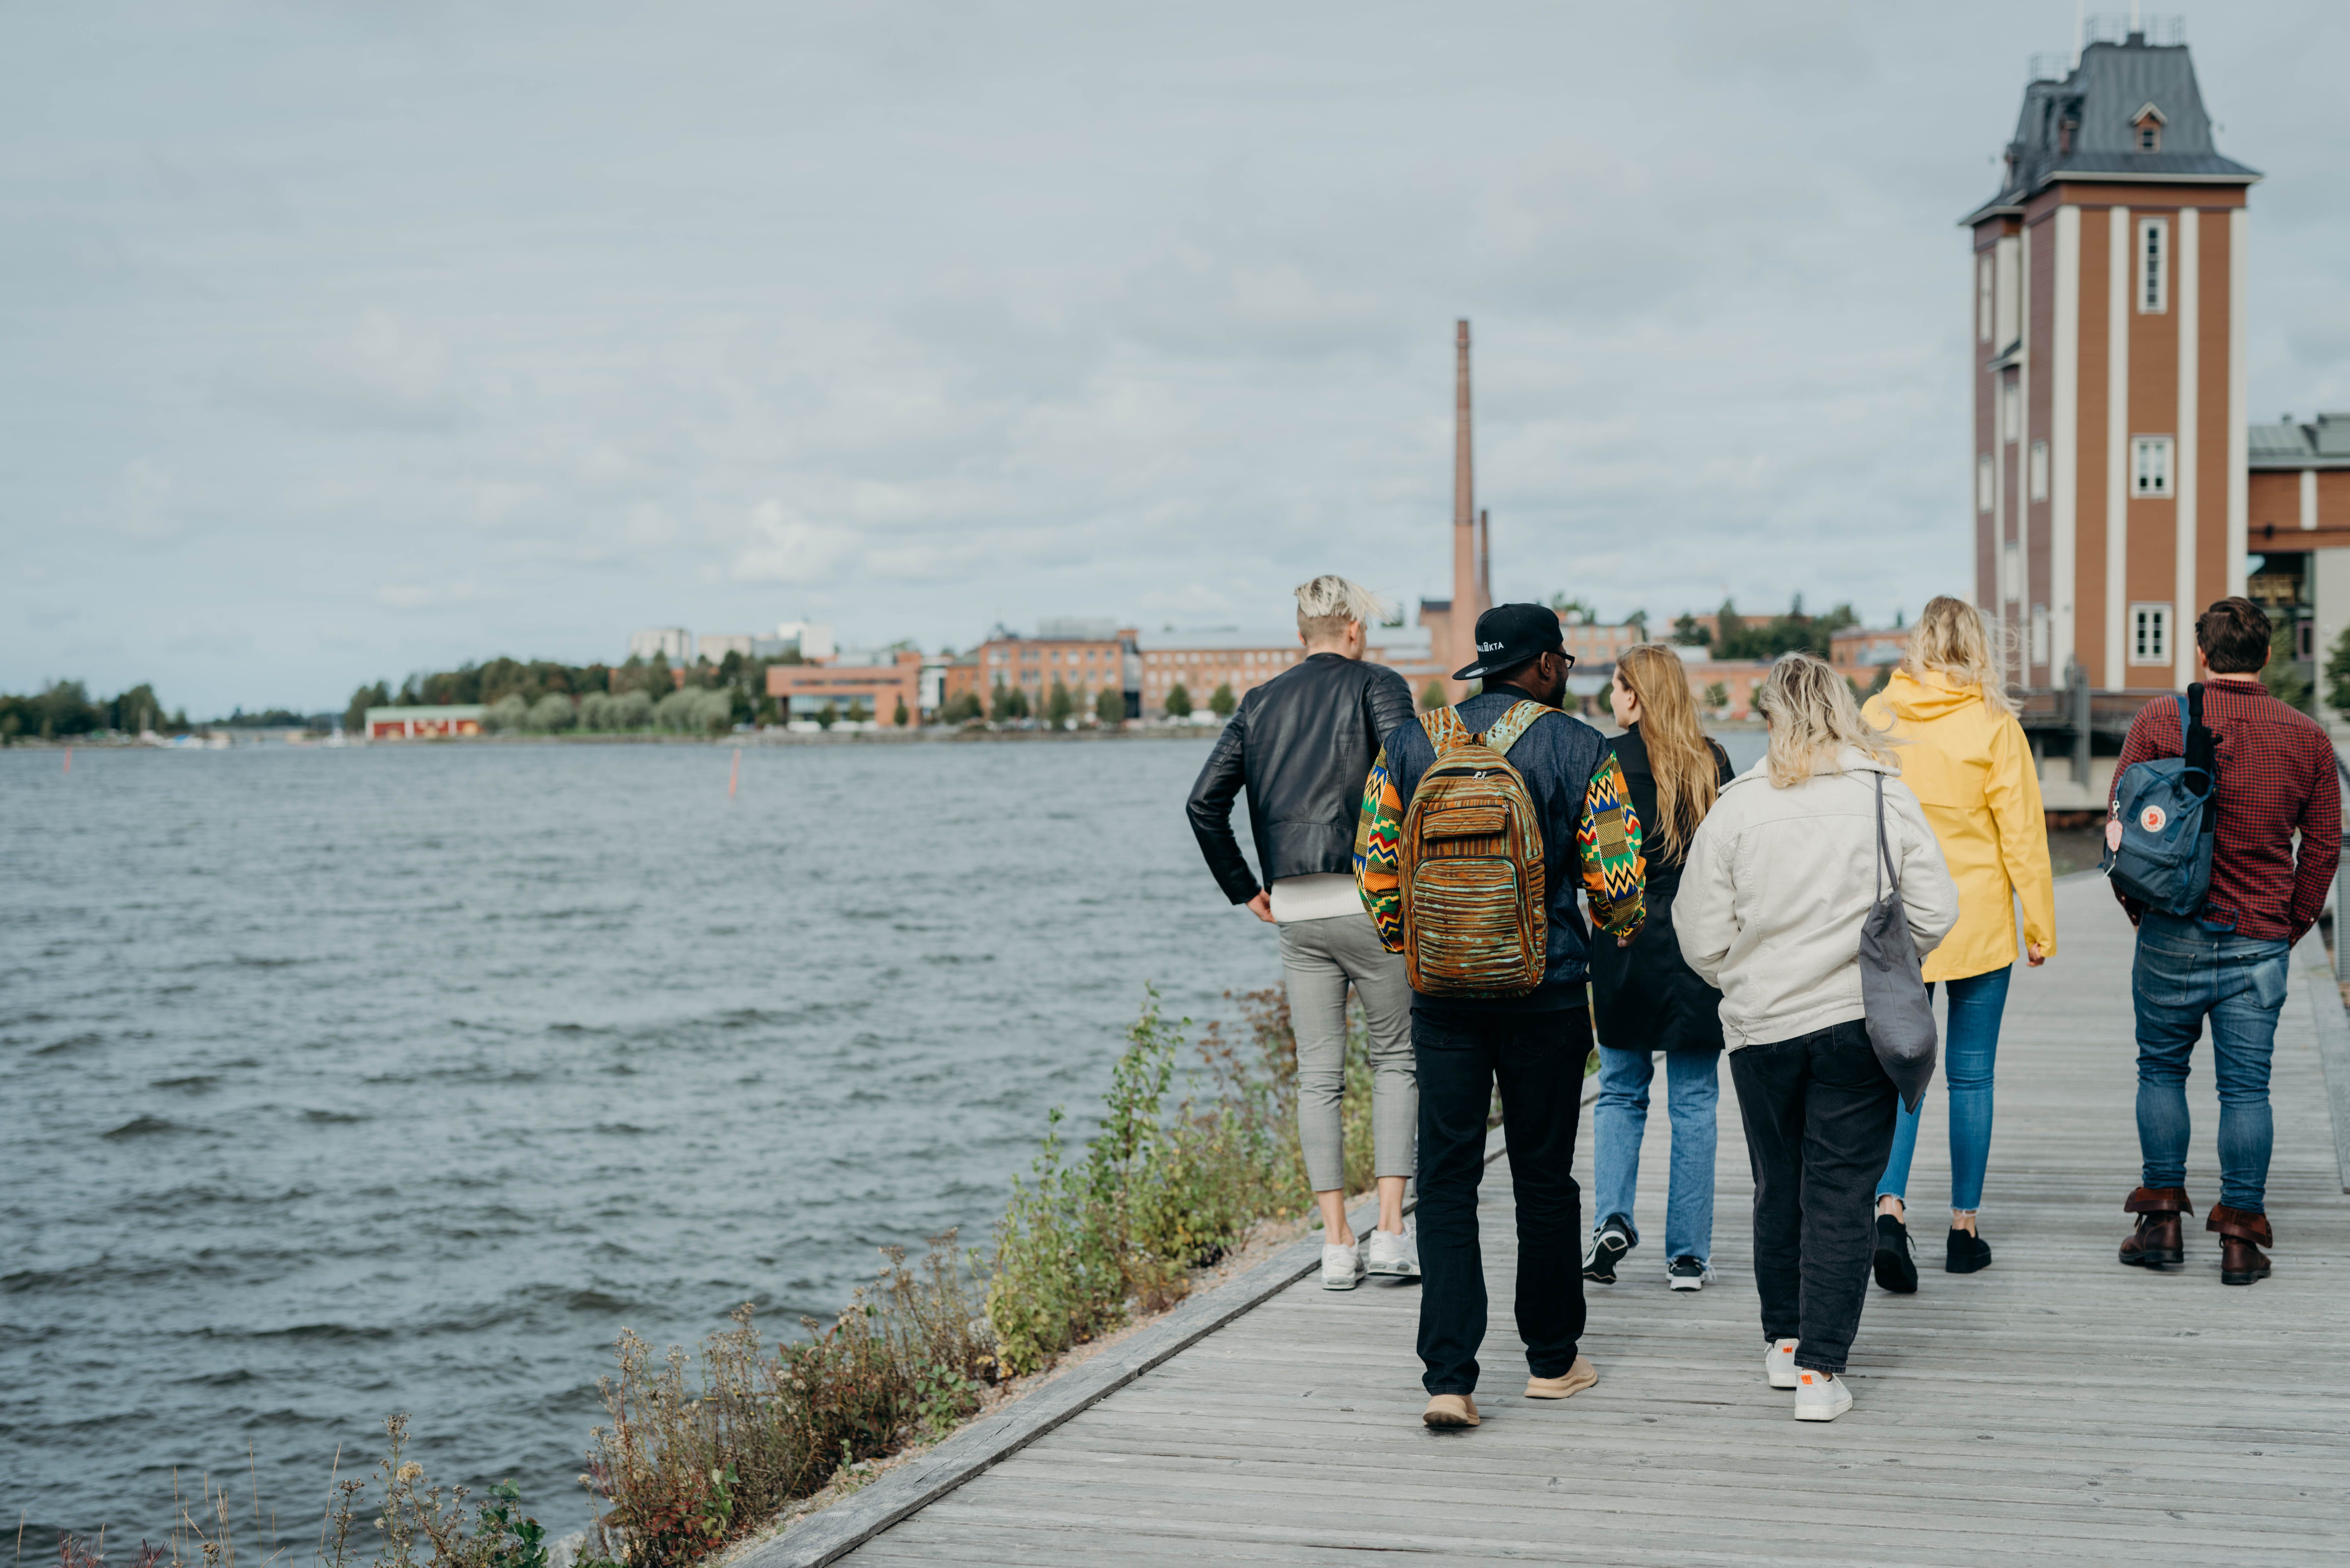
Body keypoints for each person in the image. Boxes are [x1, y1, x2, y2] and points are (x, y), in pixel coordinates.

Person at [1354, 603, 1646, 1429]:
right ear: (1547, 666)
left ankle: (1449, 1377)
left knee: (1446, 1183)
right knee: (1543, 1180)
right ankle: (1552, 1361)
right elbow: (1617, 883)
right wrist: (1617, 934)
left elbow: (1375, 870)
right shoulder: (1580, 747)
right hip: (1545, 993)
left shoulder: (1411, 742)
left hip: (1442, 999)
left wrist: (1420, 946)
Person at [1677, 654, 1957, 1422]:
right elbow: (1935, 909)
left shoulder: (1735, 807)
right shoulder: (1882, 794)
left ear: (1770, 715)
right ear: (1843, 710)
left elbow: (1699, 934)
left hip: (1761, 1027)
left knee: (1779, 1183)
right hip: (1854, 1020)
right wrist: (1890, 959)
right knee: (1839, 1192)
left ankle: (1782, 1342)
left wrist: (1742, 976)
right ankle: (1819, 1374)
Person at [1187, 575, 1421, 1290]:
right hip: (1371, 900)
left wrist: (1246, 888)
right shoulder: (1378, 684)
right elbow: (1416, 776)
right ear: (1352, 629)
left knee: (1318, 1075)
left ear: (1300, 634)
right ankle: (1388, 1231)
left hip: (1294, 906)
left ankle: (1334, 1244)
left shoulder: (1258, 703)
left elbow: (1203, 804)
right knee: (1395, 1060)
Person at [2111, 597, 2339, 1287]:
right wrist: (2292, 923)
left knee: (2159, 1069)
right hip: (2259, 939)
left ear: (2201, 653)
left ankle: (2161, 1224)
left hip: (2169, 933)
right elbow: (2324, 845)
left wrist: (2137, 909)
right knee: (2246, 1089)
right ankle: (2240, 1237)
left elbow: (2120, 824)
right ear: (2266, 655)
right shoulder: (2306, 736)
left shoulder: (2160, 719)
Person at [1858, 597, 2057, 1291]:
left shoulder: (1876, 718)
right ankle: (1963, 1229)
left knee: (1898, 1070)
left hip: (1899, 923)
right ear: (1977, 646)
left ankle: (1887, 1207)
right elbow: (2023, 836)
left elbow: (1858, 821)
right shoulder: (1994, 725)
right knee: (1971, 1073)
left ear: (1916, 646)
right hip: (1975, 924)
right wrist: (2038, 924)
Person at [1584, 644, 1734, 1292]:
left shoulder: (1606, 760)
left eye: (1617, 686)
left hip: (1628, 943)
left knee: (1620, 1088)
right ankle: (1687, 1255)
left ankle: (1612, 1215)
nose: (1611, 697)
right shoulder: (1712, 760)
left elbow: (1609, 858)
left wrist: (1617, 924)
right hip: (1698, 945)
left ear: (1637, 694)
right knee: (1695, 1099)